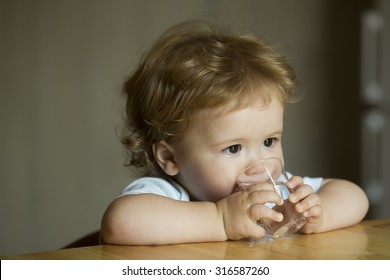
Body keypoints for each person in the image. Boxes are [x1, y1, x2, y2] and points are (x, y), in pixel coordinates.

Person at [101, 20, 369, 245]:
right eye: (233, 148)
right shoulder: (166, 195)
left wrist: (321, 214)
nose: (258, 164)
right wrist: (220, 219)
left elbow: (354, 195)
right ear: (171, 158)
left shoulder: (278, 195)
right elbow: (120, 223)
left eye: (269, 141)